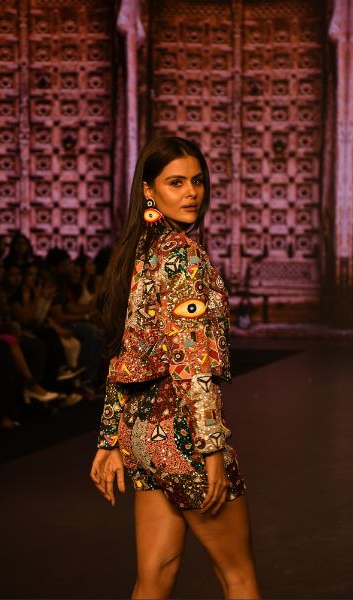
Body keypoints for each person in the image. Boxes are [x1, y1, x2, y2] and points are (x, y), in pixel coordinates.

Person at [90, 136, 260, 599]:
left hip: (142, 436)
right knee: (238, 575)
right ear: (149, 190)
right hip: (183, 435)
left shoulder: (137, 256)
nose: (191, 193)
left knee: (154, 577)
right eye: (176, 182)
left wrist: (110, 439)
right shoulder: (184, 256)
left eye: (197, 181)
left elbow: (121, 354)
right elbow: (192, 360)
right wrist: (211, 449)